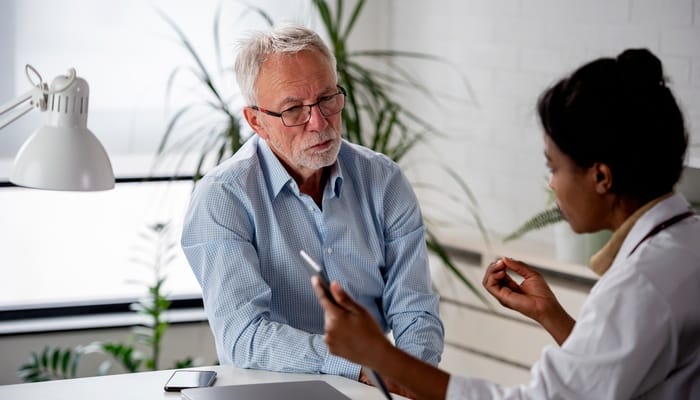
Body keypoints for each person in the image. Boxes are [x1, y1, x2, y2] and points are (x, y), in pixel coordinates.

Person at [312, 48, 700, 399]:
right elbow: (605, 373)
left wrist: (381, 356)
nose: (551, 184)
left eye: (555, 167)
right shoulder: (684, 243)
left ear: (601, 177)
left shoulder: (641, 286)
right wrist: (552, 316)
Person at [180, 24, 444, 388]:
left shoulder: (384, 180)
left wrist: (409, 380)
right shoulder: (223, 197)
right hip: (269, 390)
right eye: (293, 110)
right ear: (256, 121)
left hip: (372, 387)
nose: (318, 122)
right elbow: (243, 336)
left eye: (326, 99)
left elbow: (416, 312)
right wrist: (359, 366)